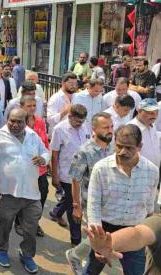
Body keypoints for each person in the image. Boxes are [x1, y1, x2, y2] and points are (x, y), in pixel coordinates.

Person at [85, 124, 159, 274]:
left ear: (140, 146)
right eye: (119, 146)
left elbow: (150, 205)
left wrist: (147, 230)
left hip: (135, 232)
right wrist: (97, 239)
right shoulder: (101, 168)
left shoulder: (152, 170)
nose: (122, 152)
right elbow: (93, 204)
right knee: (90, 271)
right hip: (104, 230)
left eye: (129, 148)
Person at [0, 108, 49, 273]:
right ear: (7, 119)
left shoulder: (32, 135)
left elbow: (45, 152)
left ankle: (26, 254)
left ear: (26, 122)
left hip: (31, 192)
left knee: (31, 228)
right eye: (11, 120)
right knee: (4, 225)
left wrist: (43, 159)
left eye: (19, 121)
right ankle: (1, 250)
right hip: (8, 193)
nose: (14, 124)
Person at [65, 113, 114, 274]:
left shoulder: (112, 148)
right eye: (106, 127)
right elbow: (75, 180)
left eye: (111, 127)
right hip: (90, 202)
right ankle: (75, 255)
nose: (110, 130)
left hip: (109, 202)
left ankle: (81, 255)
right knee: (94, 235)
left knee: (102, 234)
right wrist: (76, 206)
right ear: (94, 129)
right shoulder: (85, 151)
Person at [50, 104, 91, 246]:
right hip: (67, 174)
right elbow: (54, 154)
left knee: (69, 200)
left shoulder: (86, 128)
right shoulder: (59, 130)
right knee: (74, 206)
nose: (80, 124)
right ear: (70, 117)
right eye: (77, 121)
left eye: (82, 121)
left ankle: (56, 212)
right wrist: (55, 176)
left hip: (83, 174)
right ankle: (76, 240)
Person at [13, 95, 49, 238]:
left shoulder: (40, 121)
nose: (32, 108)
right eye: (29, 106)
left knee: (43, 194)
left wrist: (46, 159)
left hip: (40, 169)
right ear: (22, 107)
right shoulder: (15, 124)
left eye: (34, 105)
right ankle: (19, 222)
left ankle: (34, 221)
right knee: (22, 197)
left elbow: (45, 143)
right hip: (23, 170)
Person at [84, 216, 161, 274]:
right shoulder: (158, 223)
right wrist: (111, 243)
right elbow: (139, 234)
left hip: (136, 220)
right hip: (108, 222)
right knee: (92, 268)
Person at [128, 98, 161, 168]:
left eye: (156, 112)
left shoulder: (151, 124)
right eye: (150, 112)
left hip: (155, 170)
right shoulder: (130, 129)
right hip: (140, 172)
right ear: (139, 111)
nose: (154, 115)